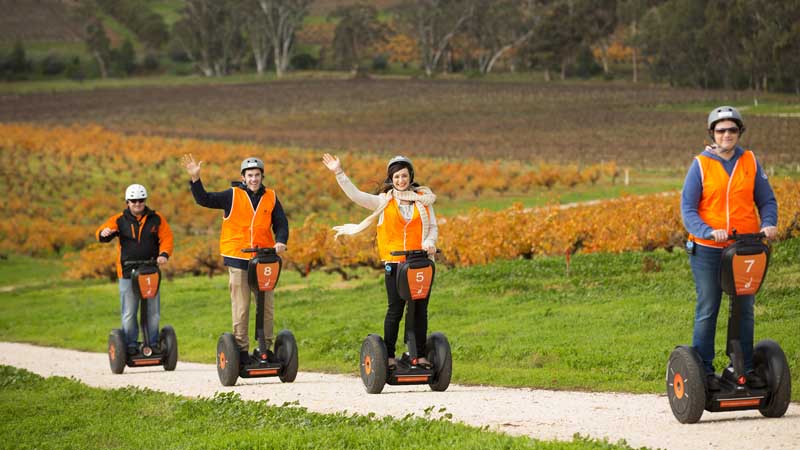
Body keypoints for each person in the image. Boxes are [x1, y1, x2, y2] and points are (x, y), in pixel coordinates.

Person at [680, 106, 778, 390]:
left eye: (732, 130)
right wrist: (706, 231)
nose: (726, 135)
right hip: (708, 248)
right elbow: (688, 208)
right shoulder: (700, 164)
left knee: (744, 309)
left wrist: (768, 223)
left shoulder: (750, 161)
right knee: (709, 306)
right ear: (712, 133)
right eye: (721, 130)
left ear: (739, 132)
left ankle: (742, 368)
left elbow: (767, 201)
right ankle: (705, 373)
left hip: (745, 246)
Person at [323, 153, 438, 369]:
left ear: (410, 177)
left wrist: (430, 242)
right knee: (396, 308)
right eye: (396, 177)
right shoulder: (383, 202)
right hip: (394, 264)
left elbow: (432, 227)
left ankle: (417, 355)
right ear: (391, 180)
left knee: (419, 309)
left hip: (420, 262)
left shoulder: (424, 200)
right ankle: (390, 356)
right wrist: (339, 172)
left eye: (404, 176)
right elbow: (356, 195)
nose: (401, 181)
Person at [182, 154, 289, 364]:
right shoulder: (232, 195)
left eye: (257, 175)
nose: (254, 179)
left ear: (262, 176)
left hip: (264, 258)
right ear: (243, 176)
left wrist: (281, 240)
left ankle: (265, 348)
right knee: (242, 306)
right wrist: (195, 179)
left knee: (266, 306)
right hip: (238, 257)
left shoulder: (271, 197)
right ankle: (241, 351)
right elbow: (204, 199)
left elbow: (281, 223)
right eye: (250, 175)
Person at [96, 184, 174, 355]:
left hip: (150, 270)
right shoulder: (119, 220)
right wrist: (104, 233)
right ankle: (130, 346)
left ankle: (152, 344)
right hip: (127, 272)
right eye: (134, 201)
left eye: (141, 200)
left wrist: (164, 254)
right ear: (127, 202)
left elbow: (167, 238)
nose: (137, 204)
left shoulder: (156, 218)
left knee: (153, 312)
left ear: (145, 201)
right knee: (129, 312)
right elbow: (103, 232)